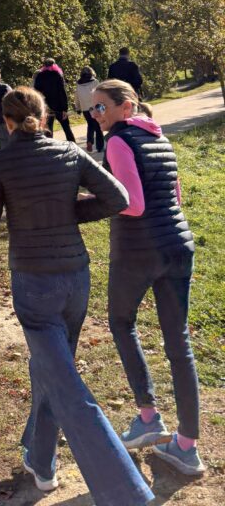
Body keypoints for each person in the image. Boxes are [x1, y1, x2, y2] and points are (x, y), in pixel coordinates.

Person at [0, 88, 153, 506]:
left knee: (65, 382)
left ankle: (126, 491)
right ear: (44, 116)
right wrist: (69, 213)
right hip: (75, 279)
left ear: (7, 122)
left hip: (34, 284)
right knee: (51, 369)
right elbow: (116, 197)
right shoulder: (67, 153)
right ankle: (42, 462)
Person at [93, 79, 205, 476]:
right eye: (93, 108)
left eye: (102, 107)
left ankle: (148, 418)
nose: (95, 114)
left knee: (121, 323)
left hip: (139, 251)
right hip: (179, 246)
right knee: (180, 345)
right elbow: (173, 197)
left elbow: (133, 204)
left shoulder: (119, 142)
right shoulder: (159, 137)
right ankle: (186, 446)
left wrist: (89, 201)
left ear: (126, 108)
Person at [33, 57, 75, 142]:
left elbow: (37, 91)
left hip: (47, 107)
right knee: (66, 128)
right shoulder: (57, 74)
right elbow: (62, 92)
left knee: (48, 131)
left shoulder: (40, 76)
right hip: (59, 106)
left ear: (43, 65)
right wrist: (64, 109)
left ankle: (49, 149)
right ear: (54, 64)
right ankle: (73, 146)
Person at [74, 66, 103, 153]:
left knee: (90, 125)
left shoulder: (78, 84)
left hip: (85, 108)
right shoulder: (95, 82)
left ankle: (89, 141)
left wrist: (78, 108)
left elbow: (76, 97)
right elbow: (100, 94)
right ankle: (100, 147)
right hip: (95, 107)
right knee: (98, 127)